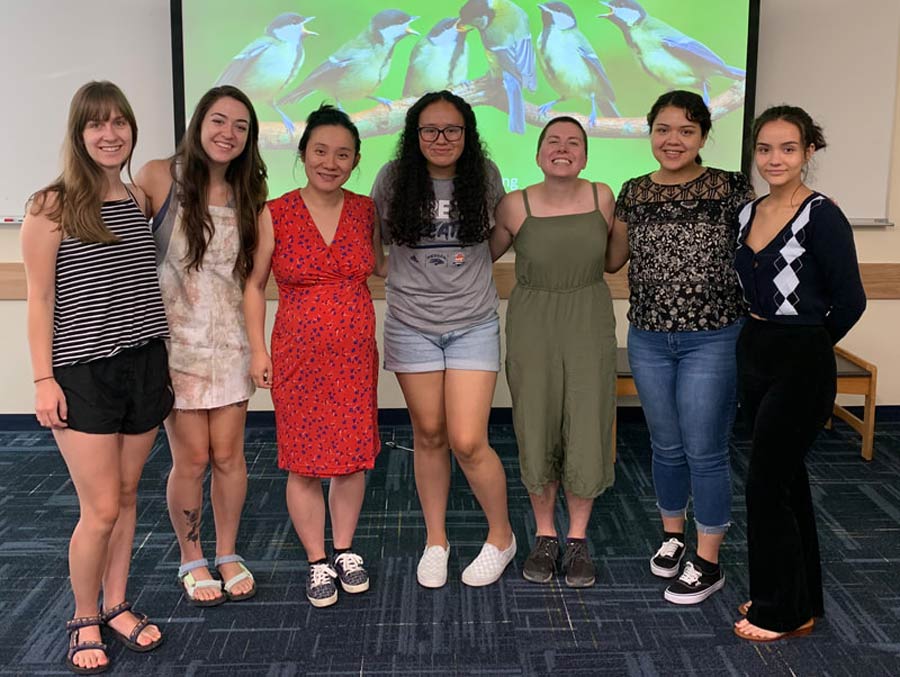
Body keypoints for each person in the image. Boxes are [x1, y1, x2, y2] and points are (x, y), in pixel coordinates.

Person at [21, 81, 171, 674]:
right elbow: (38, 302)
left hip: (144, 366)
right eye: (96, 125)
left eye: (119, 123)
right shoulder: (50, 205)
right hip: (82, 373)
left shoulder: (138, 198)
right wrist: (41, 380)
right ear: (79, 134)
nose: (110, 135)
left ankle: (117, 604)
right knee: (101, 508)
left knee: (128, 498)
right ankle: (84, 616)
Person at [607, 90, 755, 604]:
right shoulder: (633, 192)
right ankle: (673, 536)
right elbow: (611, 259)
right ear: (650, 132)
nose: (673, 141)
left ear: (704, 137)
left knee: (705, 450)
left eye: (686, 131)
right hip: (648, 336)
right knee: (665, 445)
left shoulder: (731, 188)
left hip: (712, 338)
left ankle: (707, 559)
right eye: (663, 129)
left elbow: (758, 251)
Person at [370, 91, 515, 588]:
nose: (441, 139)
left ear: (467, 133)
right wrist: (399, 273)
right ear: (414, 135)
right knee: (428, 433)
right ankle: (437, 540)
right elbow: (374, 242)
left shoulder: (485, 175)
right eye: (429, 130)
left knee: (469, 439)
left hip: (472, 321)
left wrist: (466, 268)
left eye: (452, 129)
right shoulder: (392, 179)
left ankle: (501, 537)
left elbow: (497, 237)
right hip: (411, 324)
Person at [244, 104, 386, 608]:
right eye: (321, 151)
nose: (331, 162)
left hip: (353, 354)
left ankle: (345, 550)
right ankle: (316, 559)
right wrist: (258, 349)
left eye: (343, 154)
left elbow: (386, 268)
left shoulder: (367, 210)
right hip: (297, 353)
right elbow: (254, 285)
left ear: (356, 160)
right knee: (302, 463)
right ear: (303, 154)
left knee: (351, 458)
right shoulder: (275, 212)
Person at [732, 106, 865, 641]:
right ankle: (796, 596)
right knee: (786, 481)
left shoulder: (821, 215)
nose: (774, 159)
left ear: (810, 151)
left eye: (788, 148)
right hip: (755, 347)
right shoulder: (747, 213)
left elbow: (851, 301)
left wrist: (809, 347)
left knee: (765, 484)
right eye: (764, 148)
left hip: (802, 357)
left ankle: (779, 612)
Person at [135, 85, 268, 606]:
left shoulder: (251, 191)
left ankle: (228, 552)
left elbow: (251, 282)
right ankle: (192, 557)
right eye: (218, 120)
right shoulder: (157, 175)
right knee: (191, 459)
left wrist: (258, 348)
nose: (227, 133)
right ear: (198, 123)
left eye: (240, 126)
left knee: (230, 456)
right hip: (176, 345)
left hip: (231, 343)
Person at [490, 117, 617, 588]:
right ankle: (545, 535)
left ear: (585, 154)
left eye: (574, 142)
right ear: (538, 153)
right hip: (532, 322)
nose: (563, 149)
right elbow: (482, 255)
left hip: (587, 317)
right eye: (553, 142)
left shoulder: (603, 197)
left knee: (587, 423)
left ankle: (578, 538)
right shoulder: (513, 205)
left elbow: (612, 258)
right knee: (536, 422)